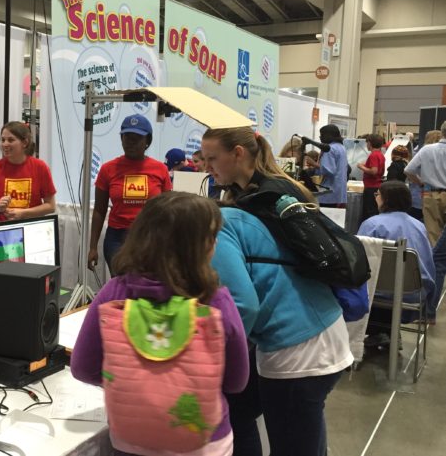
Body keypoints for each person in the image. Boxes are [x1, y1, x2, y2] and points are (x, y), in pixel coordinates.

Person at [201, 126, 352, 456]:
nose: (206, 167)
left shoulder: (249, 206)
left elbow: (243, 304)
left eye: (213, 158)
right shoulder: (266, 193)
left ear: (238, 153)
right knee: (239, 409)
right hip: (312, 329)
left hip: (297, 345)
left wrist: (202, 352)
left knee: (294, 444)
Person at [71, 192, 249, 456]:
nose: (216, 244)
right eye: (212, 237)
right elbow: (236, 382)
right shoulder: (216, 301)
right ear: (198, 247)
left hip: (130, 438)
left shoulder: (114, 292)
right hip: (204, 443)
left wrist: (131, 381)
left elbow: (83, 368)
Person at [87, 114, 171, 275]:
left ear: (147, 141)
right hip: (117, 238)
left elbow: (167, 210)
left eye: (137, 138)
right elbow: (99, 210)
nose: (131, 143)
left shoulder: (160, 169)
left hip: (149, 236)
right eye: (127, 137)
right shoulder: (108, 169)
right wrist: (92, 247)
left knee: (147, 285)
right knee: (122, 285)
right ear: (121, 139)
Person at [357, 181, 436, 323]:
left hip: (381, 292)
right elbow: (429, 264)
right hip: (416, 292)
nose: (375, 197)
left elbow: (359, 263)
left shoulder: (372, 224)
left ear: (385, 199)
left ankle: (377, 334)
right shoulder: (420, 226)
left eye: (378, 194)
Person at [0, 121, 56, 222]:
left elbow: (51, 206)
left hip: (32, 229)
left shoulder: (40, 167)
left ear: (25, 143)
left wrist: (23, 213)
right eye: (3, 140)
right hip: (2, 230)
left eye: (10, 140)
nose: (5, 144)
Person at [405, 121, 446, 246]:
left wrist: (420, 183)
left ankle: (435, 264)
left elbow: (408, 170)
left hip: (431, 194)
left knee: (433, 234)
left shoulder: (426, 150)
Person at [305, 124, 348, 208]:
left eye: (321, 135)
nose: (320, 138)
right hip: (339, 191)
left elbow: (329, 170)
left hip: (329, 192)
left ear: (329, 135)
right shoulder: (341, 147)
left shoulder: (329, 149)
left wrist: (313, 164)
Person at [357, 133, 385, 223]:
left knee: (369, 212)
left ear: (370, 143)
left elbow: (374, 171)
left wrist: (361, 166)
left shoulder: (373, 155)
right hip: (376, 186)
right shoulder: (380, 154)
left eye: (367, 143)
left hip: (371, 187)